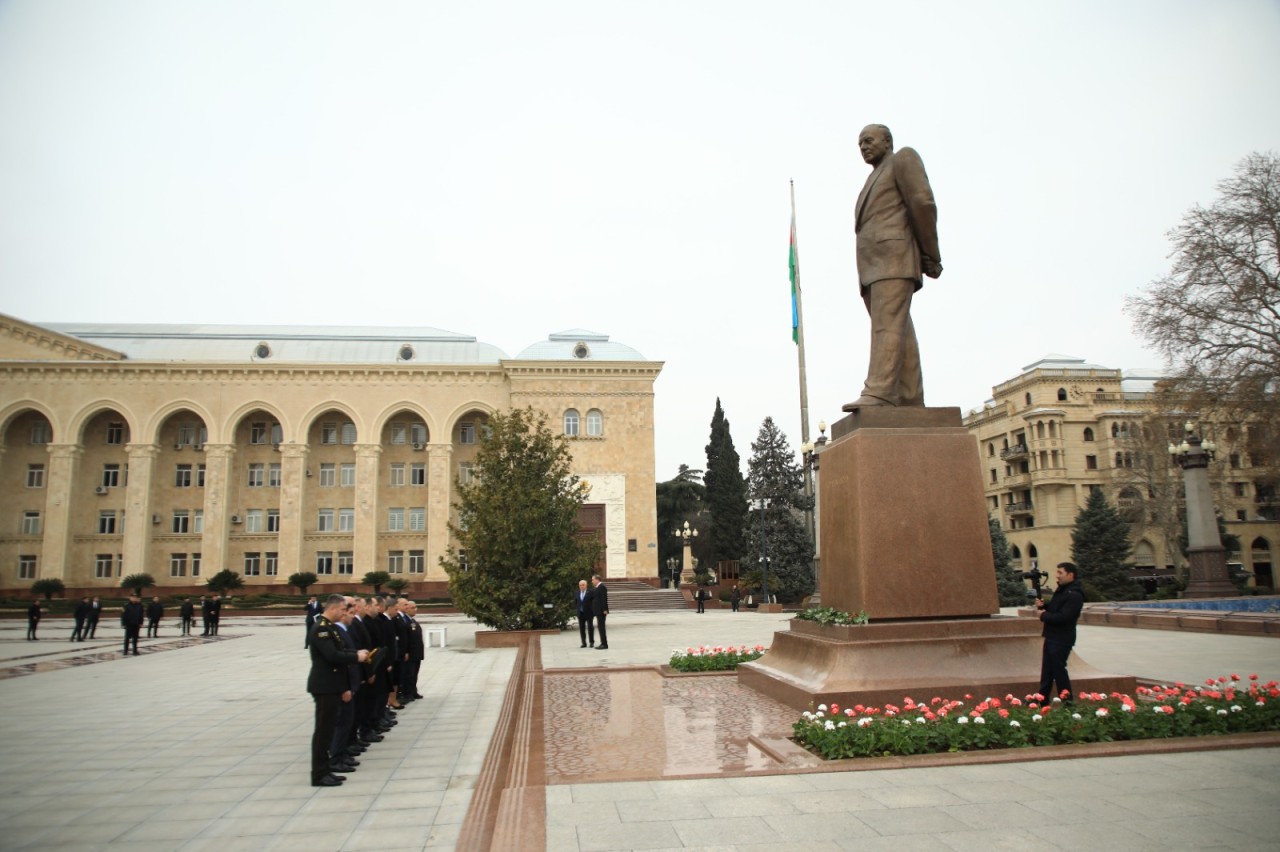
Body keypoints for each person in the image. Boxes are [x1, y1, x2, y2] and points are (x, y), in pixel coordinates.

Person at [844, 123, 942, 411]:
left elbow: (922, 203)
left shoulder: (903, 159)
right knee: (899, 331)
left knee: (887, 327)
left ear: (887, 141)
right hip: (874, 267)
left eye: (868, 140)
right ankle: (910, 397)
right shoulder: (874, 177)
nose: (863, 147)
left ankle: (880, 392)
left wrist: (930, 254)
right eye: (860, 143)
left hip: (893, 259)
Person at [306, 594, 369, 787]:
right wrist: (355, 657)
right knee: (323, 732)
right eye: (343, 610)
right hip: (325, 686)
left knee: (328, 729)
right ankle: (319, 773)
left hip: (334, 685)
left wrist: (355, 654)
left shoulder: (330, 628)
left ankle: (326, 769)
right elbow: (332, 655)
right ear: (332, 608)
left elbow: (340, 651)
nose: (345, 613)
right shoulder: (321, 630)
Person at [1036, 562, 1085, 704]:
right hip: (1052, 636)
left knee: (1058, 671)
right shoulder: (1064, 590)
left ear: (1071, 575)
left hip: (1062, 638)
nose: (1057, 576)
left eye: (1060, 573)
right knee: (1047, 671)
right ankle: (1042, 699)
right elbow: (1056, 608)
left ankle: (1067, 702)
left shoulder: (1075, 595)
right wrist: (1045, 606)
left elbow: (1064, 617)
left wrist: (1043, 616)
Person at [575, 579, 595, 648]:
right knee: (581, 628)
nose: (581, 586)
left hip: (589, 613)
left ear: (586, 585)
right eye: (580, 585)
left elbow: (594, 602)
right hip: (581, 613)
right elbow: (576, 602)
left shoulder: (590, 592)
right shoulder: (577, 593)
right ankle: (584, 643)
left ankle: (591, 642)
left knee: (590, 628)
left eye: (583, 585)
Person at [591, 574, 609, 650]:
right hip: (598, 611)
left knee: (601, 628)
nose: (592, 581)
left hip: (601, 611)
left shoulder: (602, 587)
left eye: (593, 580)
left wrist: (605, 610)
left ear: (597, 579)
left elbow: (604, 599)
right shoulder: (597, 587)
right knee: (600, 627)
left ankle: (604, 644)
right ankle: (603, 643)